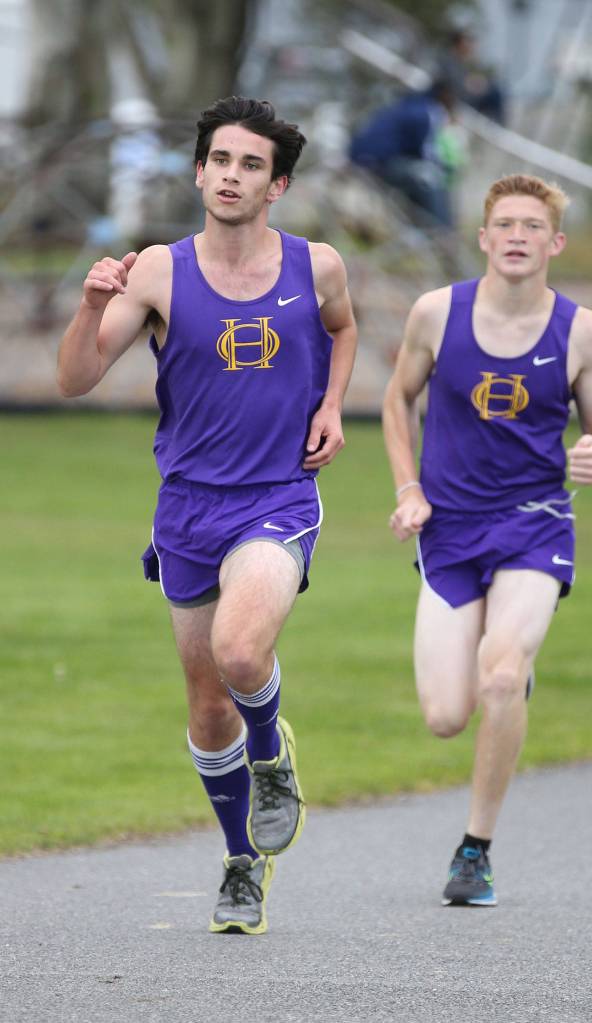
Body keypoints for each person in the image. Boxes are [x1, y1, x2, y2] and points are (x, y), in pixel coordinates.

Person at [57, 96, 357, 934]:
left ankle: (273, 754)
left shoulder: (318, 265)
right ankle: (240, 863)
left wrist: (332, 403)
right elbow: (74, 379)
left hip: (277, 495)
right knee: (206, 703)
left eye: (250, 165)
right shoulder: (157, 270)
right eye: (219, 160)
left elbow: (343, 326)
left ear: (278, 184)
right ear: (198, 172)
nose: (231, 176)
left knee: (238, 648)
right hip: (186, 506)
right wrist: (88, 304)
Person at [382, 173, 592, 906]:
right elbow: (396, 398)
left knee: (499, 675)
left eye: (533, 227)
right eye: (504, 223)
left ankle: (476, 850)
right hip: (449, 528)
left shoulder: (581, 329)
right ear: (483, 236)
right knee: (446, 715)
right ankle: (509, 668)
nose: (516, 236)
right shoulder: (437, 314)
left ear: (554, 243)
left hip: (534, 524)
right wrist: (408, 488)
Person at [349, 80, 459, 228]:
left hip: (365, 159)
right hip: (379, 164)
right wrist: (445, 168)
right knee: (430, 177)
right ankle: (442, 233)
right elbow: (426, 152)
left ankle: (422, 229)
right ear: (445, 95)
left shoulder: (406, 104)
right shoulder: (426, 112)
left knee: (418, 179)